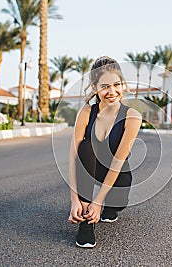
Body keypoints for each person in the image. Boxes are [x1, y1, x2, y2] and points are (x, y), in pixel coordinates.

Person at [68, 56, 142, 248]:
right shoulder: (86, 112)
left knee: (112, 209)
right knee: (85, 147)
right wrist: (75, 200)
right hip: (91, 170)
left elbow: (118, 161)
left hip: (117, 178)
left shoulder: (132, 117)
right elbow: (74, 156)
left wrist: (99, 201)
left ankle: (107, 206)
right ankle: (86, 222)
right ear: (95, 88)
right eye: (105, 86)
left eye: (116, 84)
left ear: (123, 85)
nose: (112, 91)